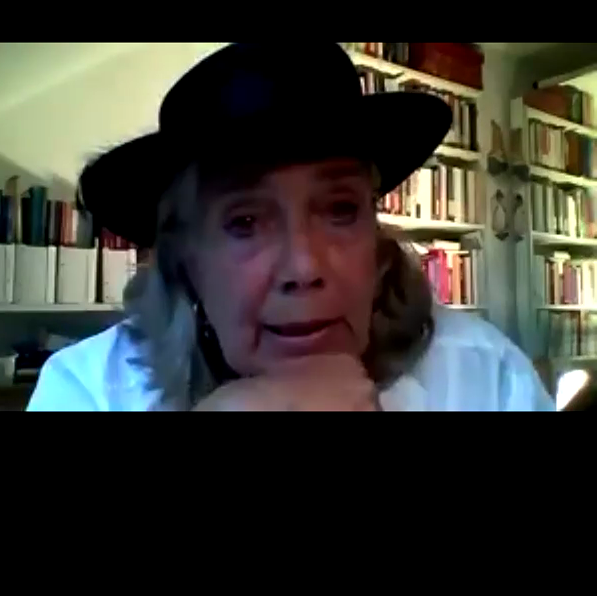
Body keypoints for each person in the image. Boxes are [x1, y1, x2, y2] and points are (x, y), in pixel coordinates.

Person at [27, 43, 553, 412]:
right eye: (245, 222)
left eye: (341, 210)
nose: (304, 267)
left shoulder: (485, 374)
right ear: (186, 260)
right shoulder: (89, 389)